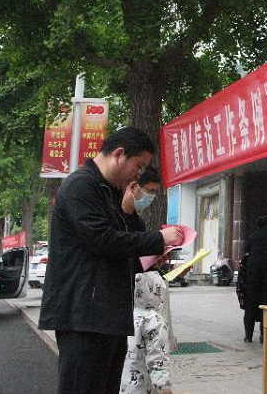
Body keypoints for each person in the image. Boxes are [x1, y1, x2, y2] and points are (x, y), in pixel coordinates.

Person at [39, 127, 184, 394]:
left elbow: (125, 245)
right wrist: (157, 239)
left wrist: (154, 253)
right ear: (119, 154)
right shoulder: (81, 185)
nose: (138, 175)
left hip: (109, 314)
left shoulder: (110, 192)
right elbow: (103, 240)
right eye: (138, 166)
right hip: (83, 315)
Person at [120, 271, 173, 394]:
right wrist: (163, 386)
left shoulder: (126, 315)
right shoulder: (154, 320)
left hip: (123, 386)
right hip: (144, 388)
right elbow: (158, 355)